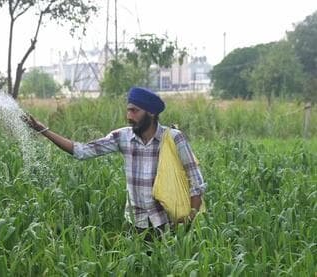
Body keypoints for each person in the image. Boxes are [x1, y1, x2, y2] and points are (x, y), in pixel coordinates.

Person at [23, 86, 206, 241]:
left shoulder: (173, 139)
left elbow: (196, 181)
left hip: (166, 223)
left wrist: (189, 220)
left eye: (134, 111)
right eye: (128, 110)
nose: (129, 116)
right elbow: (82, 151)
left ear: (151, 112)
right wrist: (43, 130)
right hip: (135, 223)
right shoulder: (123, 137)